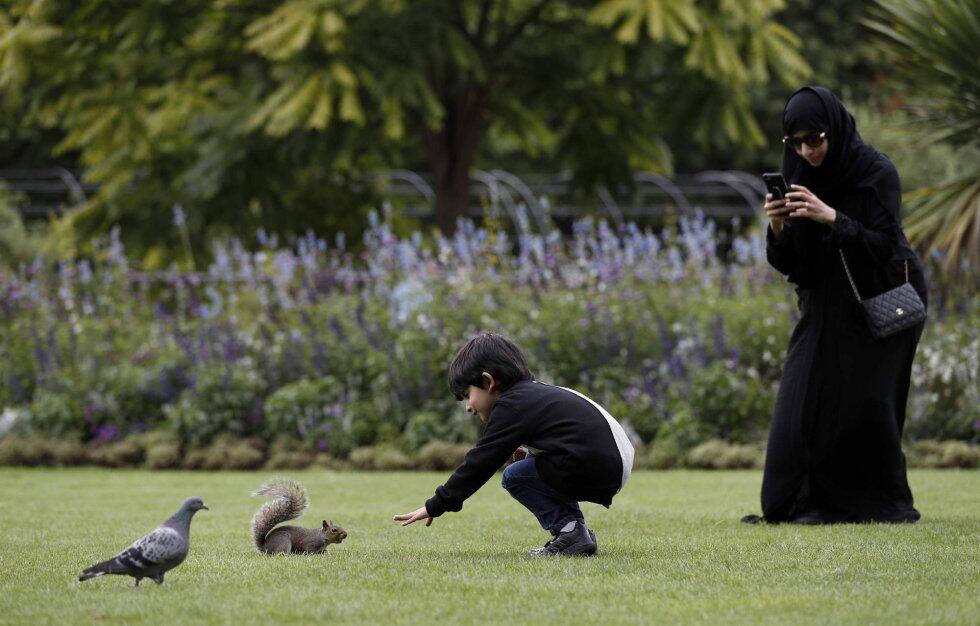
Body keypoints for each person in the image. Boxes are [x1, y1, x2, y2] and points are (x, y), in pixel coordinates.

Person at [746, 86, 928, 524]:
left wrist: (831, 217)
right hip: (825, 301)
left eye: (816, 139)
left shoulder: (875, 172)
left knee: (863, 406)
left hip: (881, 301)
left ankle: (854, 505)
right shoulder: (798, 176)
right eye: (797, 143)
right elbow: (794, 267)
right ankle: (795, 501)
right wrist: (778, 228)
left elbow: (885, 245)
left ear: (836, 130)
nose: (808, 151)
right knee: (801, 399)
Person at [393, 332, 635, 556]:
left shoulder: (512, 406)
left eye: (467, 394)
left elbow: (481, 461)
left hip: (601, 466)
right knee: (526, 461)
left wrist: (437, 504)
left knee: (514, 476)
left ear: (488, 382)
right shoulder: (532, 394)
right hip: (613, 460)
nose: (467, 407)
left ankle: (570, 532)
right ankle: (574, 533)